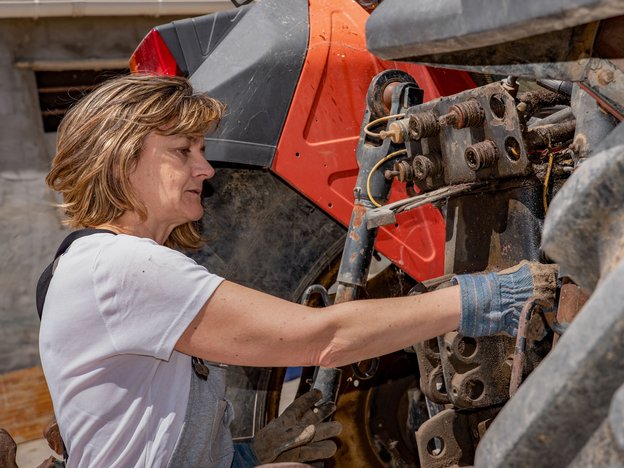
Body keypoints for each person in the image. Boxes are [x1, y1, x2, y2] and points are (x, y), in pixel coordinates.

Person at [38, 74, 557, 468]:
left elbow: (135, 435)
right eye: (182, 151)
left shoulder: (92, 265)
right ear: (121, 158)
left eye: (201, 150)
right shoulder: (123, 268)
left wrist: (248, 453)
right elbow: (324, 339)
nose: (206, 169)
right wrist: (484, 299)